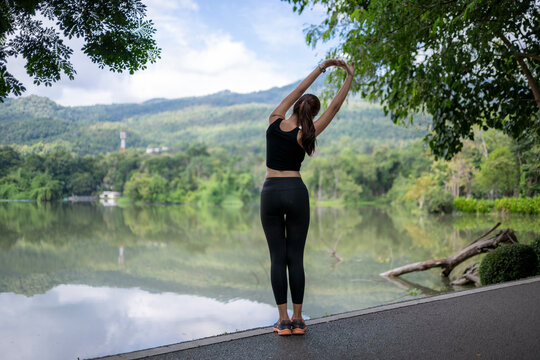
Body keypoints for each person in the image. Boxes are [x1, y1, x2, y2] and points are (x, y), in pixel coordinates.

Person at [260, 59, 354, 336]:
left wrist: (321, 68)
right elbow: (335, 107)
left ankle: (283, 321)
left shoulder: (274, 121)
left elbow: (299, 88)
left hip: (271, 192)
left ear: (295, 105)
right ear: (312, 113)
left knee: (278, 258)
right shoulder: (307, 134)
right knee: (295, 258)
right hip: (296, 192)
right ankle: (299, 320)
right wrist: (348, 76)